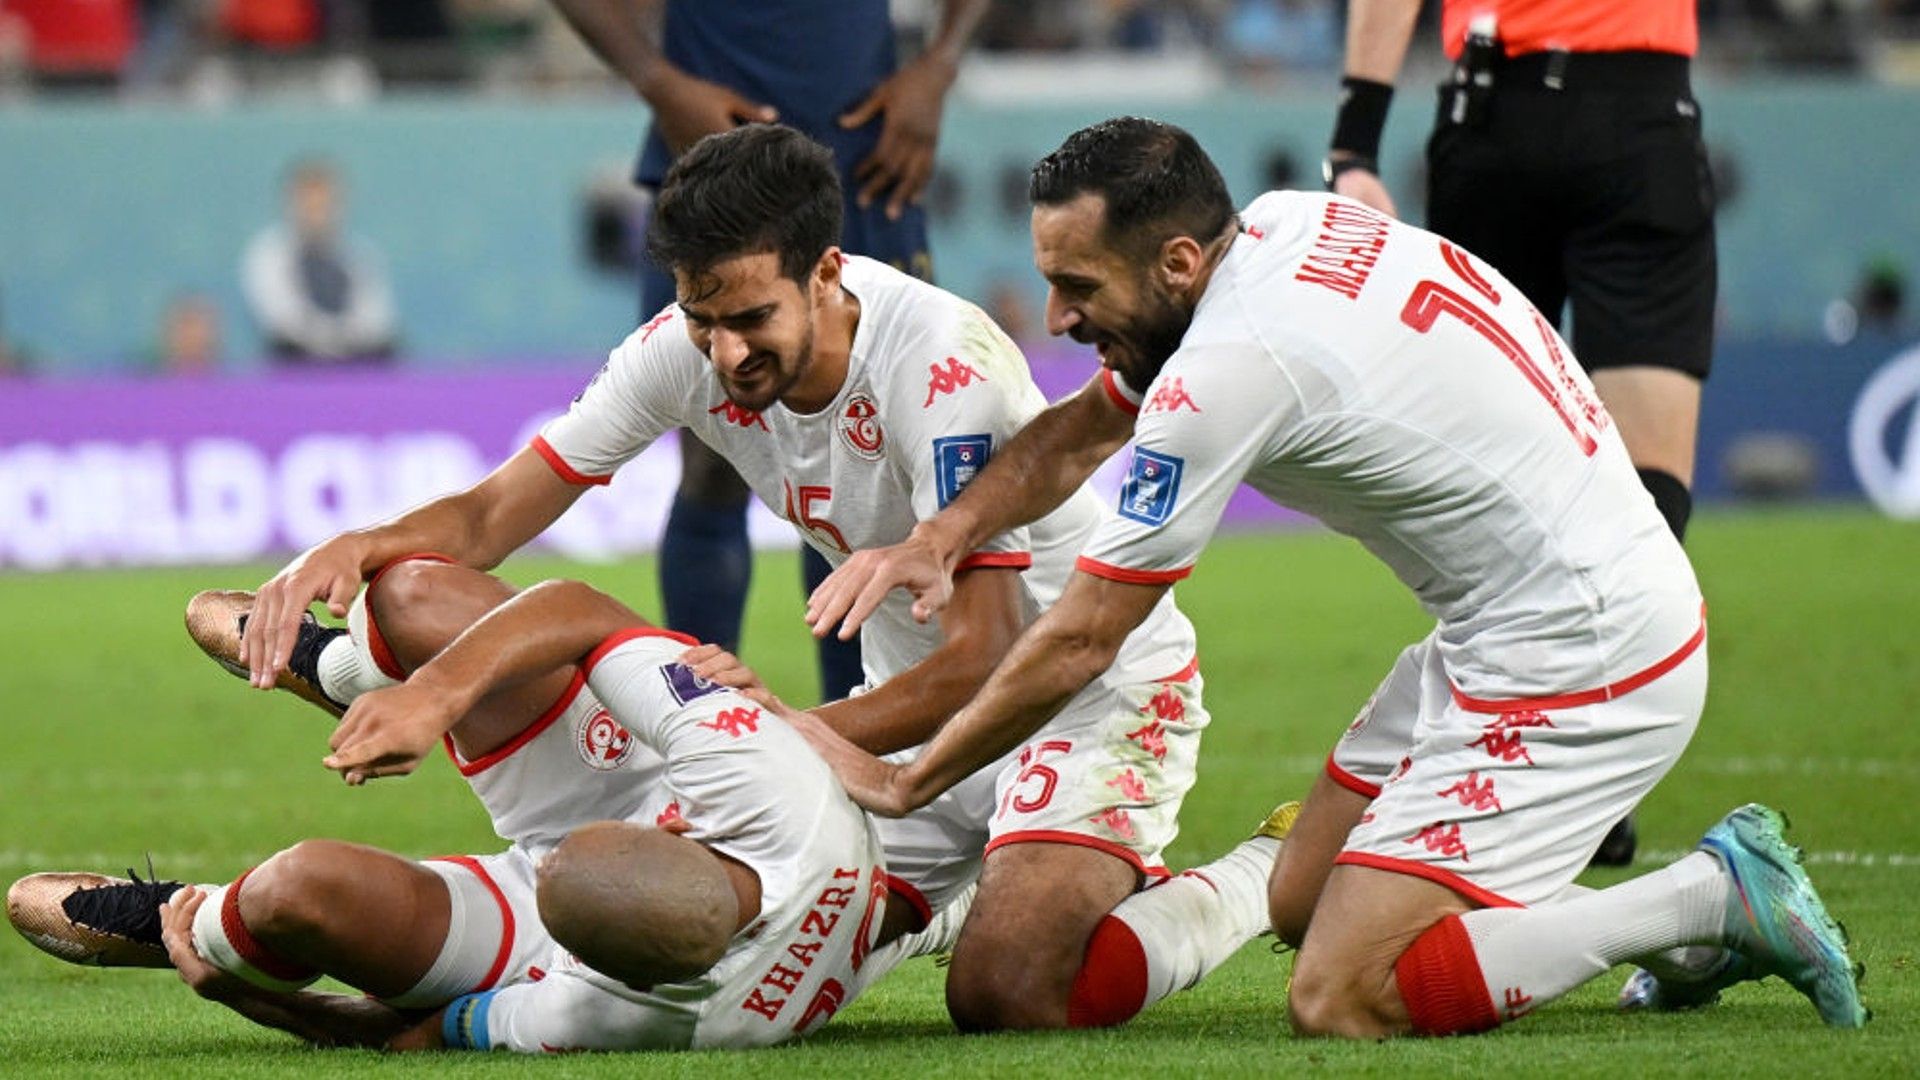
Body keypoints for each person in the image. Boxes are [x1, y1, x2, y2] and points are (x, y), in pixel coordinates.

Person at [798, 117, 1866, 1038]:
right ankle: (1685, 953)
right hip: (1507, 626)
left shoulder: (1227, 370)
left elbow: (1083, 637)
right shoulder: (1272, 228)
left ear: (1175, 261)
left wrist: (909, 780)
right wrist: (943, 533)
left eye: (1077, 287)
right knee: (1302, 900)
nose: (1060, 319)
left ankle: (1707, 898)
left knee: (1342, 992)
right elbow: (1080, 429)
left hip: (1585, 652)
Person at [229, 124, 1287, 1033]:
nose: (725, 353)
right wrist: (361, 546)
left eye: (749, 320)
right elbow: (503, 509)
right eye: (702, 318)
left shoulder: (941, 368)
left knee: (1010, 992)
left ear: (827, 273)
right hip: (899, 714)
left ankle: (1262, 875)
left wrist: (770, 734)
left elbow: (983, 653)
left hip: (1077, 696)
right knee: (747, 940)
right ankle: (968, 888)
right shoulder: (681, 347)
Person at [8, 577, 961, 1052]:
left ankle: (197, 921)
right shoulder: (776, 788)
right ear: (667, 834)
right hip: (650, 776)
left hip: (553, 928)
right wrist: (438, 699)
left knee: (298, 892)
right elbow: (581, 608)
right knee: (415, 596)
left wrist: (243, 989)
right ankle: (357, 677)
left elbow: (402, 1033)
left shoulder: (630, 1011)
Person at [1323, 0, 1721, 865]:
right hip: (1641, 108)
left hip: (1495, 113)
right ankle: (1600, 771)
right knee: (1651, 477)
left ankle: (1516, 748)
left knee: (1500, 468)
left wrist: (1354, 144)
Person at [550, 0, 988, 701]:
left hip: (870, 155)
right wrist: (657, 81)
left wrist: (939, 65)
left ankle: (862, 728)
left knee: (873, 479)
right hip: (706, 148)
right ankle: (699, 728)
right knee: (713, 458)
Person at [240, 158, 398, 364]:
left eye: (325, 204)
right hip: (298, 358)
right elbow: (282, 318)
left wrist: (347, 340)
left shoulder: (360, 256)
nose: (317, 213)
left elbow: (377, 318)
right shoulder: (268, 253)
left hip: (354, 355)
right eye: (310, 204)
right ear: (292, 204)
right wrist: (330, 340)